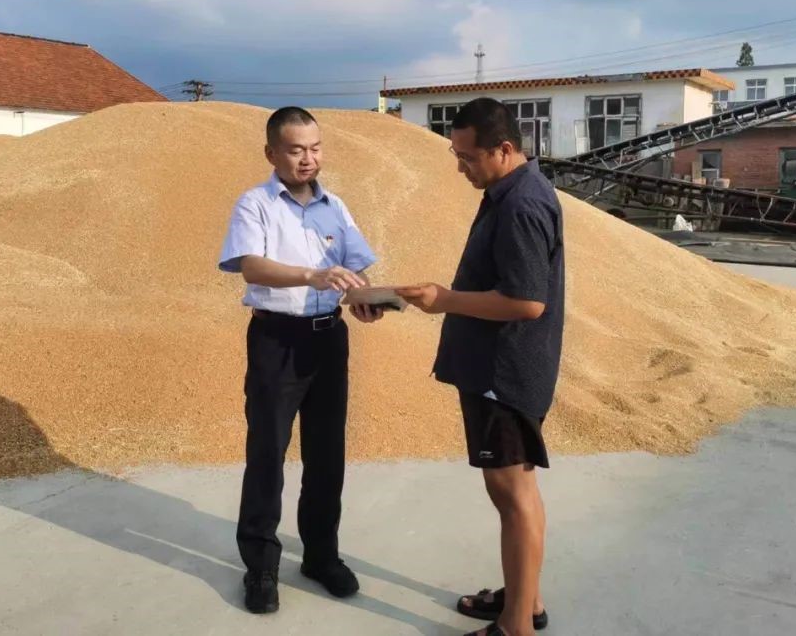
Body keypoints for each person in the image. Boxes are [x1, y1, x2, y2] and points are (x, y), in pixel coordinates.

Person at [397, 97, 564, 636]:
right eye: (457, 155)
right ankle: (525, 599)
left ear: (504, 149)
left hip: (504, 374)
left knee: (512, 494)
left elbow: (526, 301)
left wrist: (444, 299)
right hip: (501, 368)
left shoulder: (522, 205)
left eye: (468, 157)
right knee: (517, 490)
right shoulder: (509, 191)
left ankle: (516, 626)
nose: (460, 167)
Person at [218, 106, 384, 615]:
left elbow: (355, 270)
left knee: (327, 453)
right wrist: (312, 275)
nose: (307, 158)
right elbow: (251, 267)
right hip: (277, 340)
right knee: (267, 453)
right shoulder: (255, 204)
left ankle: (321, 556)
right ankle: (260, 566)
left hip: (328, 340)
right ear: (272, 153)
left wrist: (365, 299)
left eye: (314, 148)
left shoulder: (337, 207)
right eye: (295, 150)